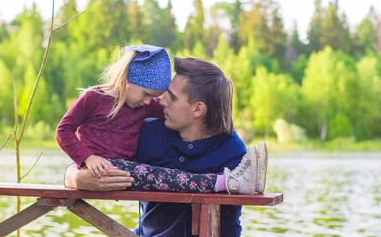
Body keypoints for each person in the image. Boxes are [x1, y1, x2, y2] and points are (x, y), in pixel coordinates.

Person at [8, 56, 277, 237]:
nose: (160, 102)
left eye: (171, 97)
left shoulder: (232, 152)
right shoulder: (150, 130)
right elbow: (98, 156)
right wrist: (74, 176)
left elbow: (230, 229)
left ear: (197, 109)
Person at [55, 44, 266, 195]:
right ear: (126, 81)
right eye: (147, 94)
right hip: (106, 170)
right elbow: (63, 130)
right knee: (160, 176)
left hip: (125, 171)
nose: (155, 103)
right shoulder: (95, 99)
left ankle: (228, 182)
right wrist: (83, 163)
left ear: (198, 109)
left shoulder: (230, 148)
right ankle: (224, 182)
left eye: (166, 97)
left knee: (160, 176)